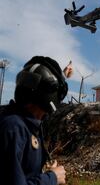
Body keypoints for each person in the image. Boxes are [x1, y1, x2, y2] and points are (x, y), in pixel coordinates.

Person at [0, 56, 69, 185]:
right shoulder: (14, 128)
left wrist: (45, 173)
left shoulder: (29, 125)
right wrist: (52, 178)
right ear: (50, 93)